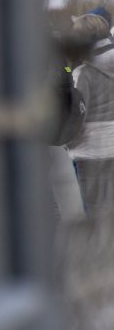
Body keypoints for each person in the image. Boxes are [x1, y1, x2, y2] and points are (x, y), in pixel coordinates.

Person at [66, 13, 114, 216]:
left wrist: (68, 141)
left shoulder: (82, 73)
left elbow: (76, 115)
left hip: (90, 153)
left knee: (96, 216)